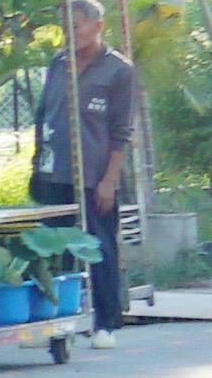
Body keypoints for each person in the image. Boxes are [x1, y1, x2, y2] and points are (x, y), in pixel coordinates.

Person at [42, 22, 144, 331]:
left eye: (77, 26)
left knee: (100, 247)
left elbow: (121, 131)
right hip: (56, 172)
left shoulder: (118, 70)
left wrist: (109, 181)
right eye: (66, 26)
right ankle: (55, 321)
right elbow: (43, 112)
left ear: (98, 26)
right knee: (52, 247)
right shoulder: (58, 63)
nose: (71, 33)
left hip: (96, 174)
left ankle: (106, 322)